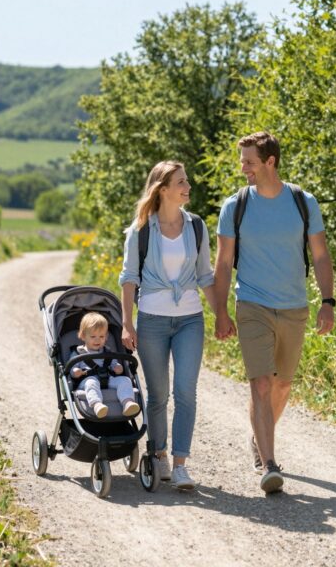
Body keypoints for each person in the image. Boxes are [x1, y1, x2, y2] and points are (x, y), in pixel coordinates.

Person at [214, 131, 335, 494]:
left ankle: (259, 436)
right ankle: (268, 463)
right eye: (242, 161)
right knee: (262, 382)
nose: (243, 169)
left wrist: (327, 301)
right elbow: (223, 263)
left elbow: (320, 255)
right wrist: (220, 311)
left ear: (271, 162)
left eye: (249, 162)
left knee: (282, 384)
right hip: (252, 304)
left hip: (294, 306)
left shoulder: (302, 202)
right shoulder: (235, 206)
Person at [119, 160, 217, 490]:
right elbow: (129, 278)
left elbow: (205, 276)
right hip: (152, 320)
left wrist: (221, 314)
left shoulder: (196, 226)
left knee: (186, 391)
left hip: (190, 319)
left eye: (186, 181)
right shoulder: (141, 230)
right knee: (158, 393)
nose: (188, 186)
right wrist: (127, 324)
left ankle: (180, 465)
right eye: (181, 182)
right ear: (162, 189)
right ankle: (158, 454)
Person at [70, 312, 141, 419]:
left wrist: (118, 368)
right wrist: (75, 372)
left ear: (106, 336)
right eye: (93, 336)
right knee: (91, 383)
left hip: (108, 379)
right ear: (83, 336)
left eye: (101, 336)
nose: (97, 340)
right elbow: (72, 368)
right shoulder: (78, 352)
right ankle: (97, 405)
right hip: (87, 380)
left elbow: (114, 364)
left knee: (125, 380)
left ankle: (127, 403)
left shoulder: (107, 351)